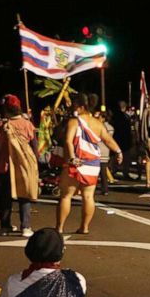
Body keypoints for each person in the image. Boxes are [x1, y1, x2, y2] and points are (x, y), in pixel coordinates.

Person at [55, 94, 123, 234]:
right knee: (88, 196)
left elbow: (68, 141)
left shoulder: (74, 121)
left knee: (66, 195)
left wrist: (72, 157)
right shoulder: (98, 123)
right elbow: (108, 140)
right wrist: (118, 151)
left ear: (81, 107)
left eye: (74, 106)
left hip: (76, 162)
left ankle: (59, 227)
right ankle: (84, 227)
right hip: (92, 163)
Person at [0, 95, 39, 237]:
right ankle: (25, 227)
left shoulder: (0, 126)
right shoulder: (27, 124)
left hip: (5, 166)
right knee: (24, 196)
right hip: (24, 165)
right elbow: (34, 146)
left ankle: (5, 226)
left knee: (6, 197)